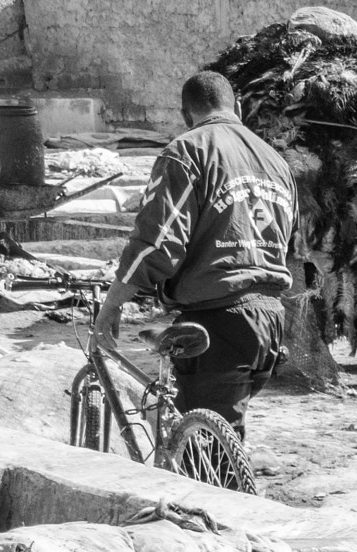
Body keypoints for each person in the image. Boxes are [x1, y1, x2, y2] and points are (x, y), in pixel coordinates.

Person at [95, 72, 295, 439]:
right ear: (236, 107)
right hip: (270, 320)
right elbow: (284, 242)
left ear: (186, 115)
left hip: (218, 321)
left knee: (208, 451)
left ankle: (220, 493)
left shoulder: (188, 151)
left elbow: (157, 244)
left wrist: (113, 303)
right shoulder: (276, 162)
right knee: (223, 433)